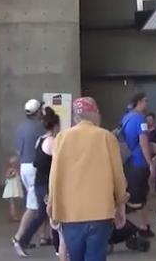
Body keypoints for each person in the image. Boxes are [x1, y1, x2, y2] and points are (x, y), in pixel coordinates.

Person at [47, 97, 128, 261]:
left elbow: (54, 177)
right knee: (96, 256)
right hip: (101, 212)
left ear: (75, 117)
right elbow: (118, 176)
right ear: (96, 114)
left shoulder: (61, 138)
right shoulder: (107, 137)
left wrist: (52, 209)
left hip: (70, 213)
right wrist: (121, 204)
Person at [13, 106, 61, 257]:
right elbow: (58, 163)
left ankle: (58, 247)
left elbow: (36, 161)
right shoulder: (53, 142)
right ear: (56, 125)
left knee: (49, 214)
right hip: (47, 185)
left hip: (40, 182)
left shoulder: (40, 140)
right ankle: (22, 241)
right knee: (45, 215)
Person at [121, 93, 155, 238]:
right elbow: (143, 142)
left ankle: (145, 225)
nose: (146, 104)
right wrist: (151, 163)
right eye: (145, 101)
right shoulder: (140, 120)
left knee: (137, 195)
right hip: (139, 161)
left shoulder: (126, 118)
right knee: (138, 197)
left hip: (128, 161)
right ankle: (133, 225)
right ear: (139, 102)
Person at [14, 99, 46, 246]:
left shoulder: (20, 127)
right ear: (38, 111)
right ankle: (19, 237)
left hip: (24, 166)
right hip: (36, 167)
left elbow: (18, 151)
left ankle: (44, 236)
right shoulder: (41, 127)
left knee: (40, 202)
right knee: (33, 205)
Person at [3, 156, 24, 222]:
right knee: (12, 203)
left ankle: (15, 215)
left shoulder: (17, 170)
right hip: (12, 188)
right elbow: (7, 176)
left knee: (16, 202)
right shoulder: (10, 170)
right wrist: (12, 175)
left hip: (15, 188)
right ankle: (13, 216)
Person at [146, 113, 156, 195]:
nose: (149, 122)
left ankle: (152, 190)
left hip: (154, 155)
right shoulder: (144, 132)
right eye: (147, 120)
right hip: (145, 154)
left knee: (152, 173)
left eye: (150, 120)